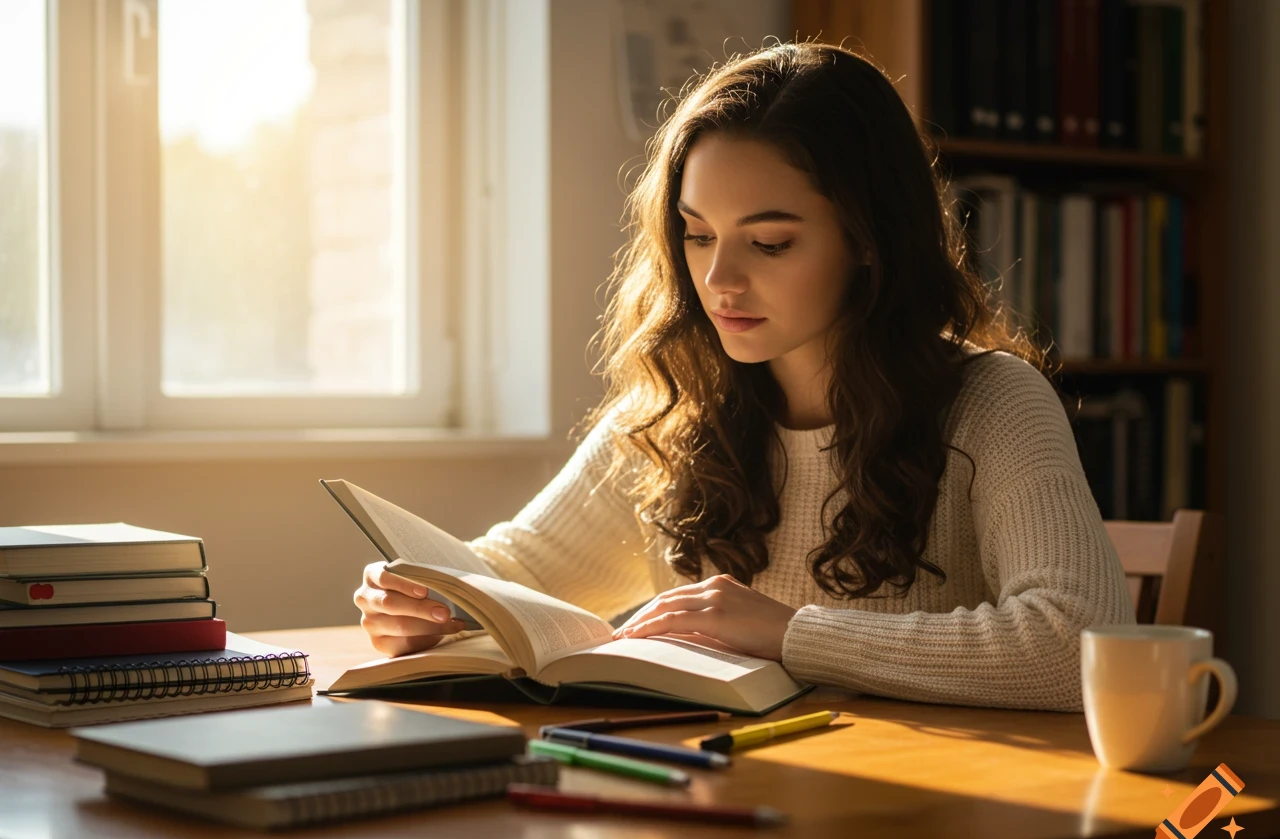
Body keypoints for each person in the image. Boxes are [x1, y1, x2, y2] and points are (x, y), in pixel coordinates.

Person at [353, 42, 1134, 713]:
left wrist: (788, 632)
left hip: (926, 820)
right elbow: (513, 573)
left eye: (769, 244)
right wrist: (428, 601)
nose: (718, 280)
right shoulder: (674, 408)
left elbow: (1079, 642)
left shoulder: (991, 403)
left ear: (869, 240)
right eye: (697, 236)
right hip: (722, 804)